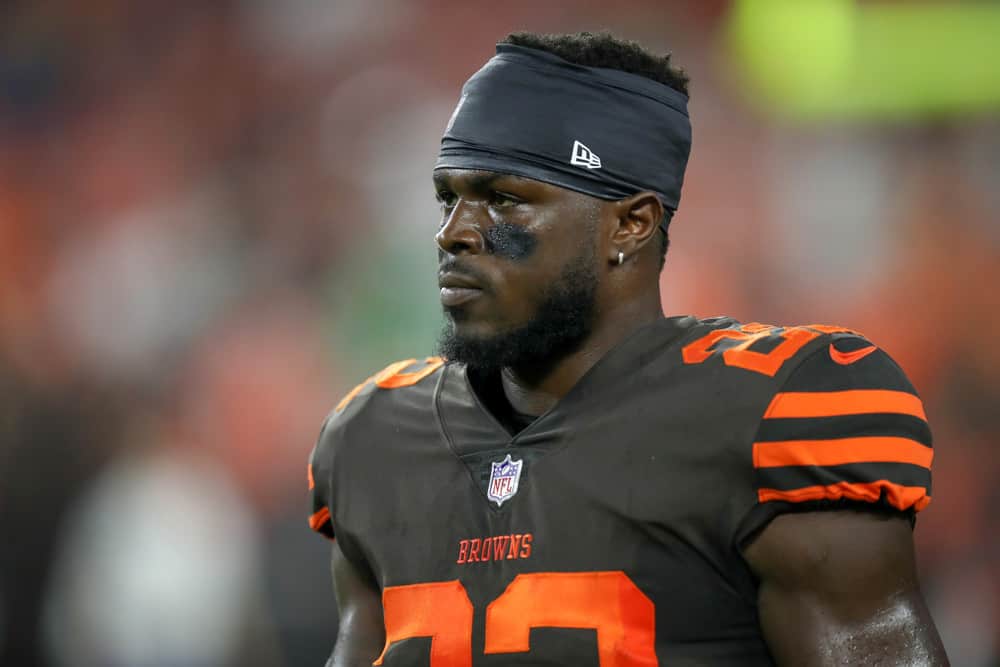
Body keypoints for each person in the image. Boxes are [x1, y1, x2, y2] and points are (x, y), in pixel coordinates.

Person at [307, 31, 948, 666]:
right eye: (449, 198)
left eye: (505, 200)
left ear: (631, 225)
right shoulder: (373, 436)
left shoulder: (776, 413)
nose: (454, 235)